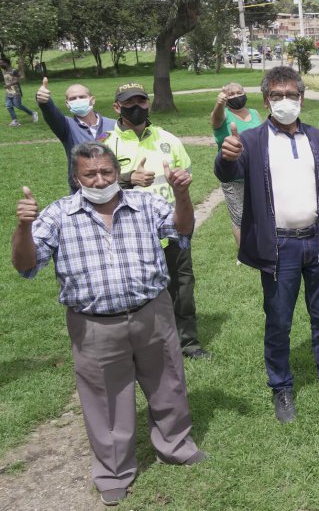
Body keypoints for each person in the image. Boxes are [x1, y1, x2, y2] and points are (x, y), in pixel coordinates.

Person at [12, 142, 206, 506]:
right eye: (90, 174)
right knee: (105, 399)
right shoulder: (58, 215)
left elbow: (183, 230)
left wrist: (182, 195)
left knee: (168, 383)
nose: (100, 180)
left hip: (152, 312)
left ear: (118, 172)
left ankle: (176, 446)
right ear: (76, 177)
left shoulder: (145, 204)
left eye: (107, 172)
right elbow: (26, 266)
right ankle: (114, 472)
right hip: (94, 326)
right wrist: (23, 227)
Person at [215, 66, 319, 424]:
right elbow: (228, 176)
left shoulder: (317, 139)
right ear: (266, 99)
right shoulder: (251, 141)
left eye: (292, 95)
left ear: (302, 97)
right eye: (277, 95)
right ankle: (282, 387)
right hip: (279, 247)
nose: (285, 101)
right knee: (279, 320)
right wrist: (226, 156)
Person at [105, 83, 208, 360]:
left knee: (182, 286)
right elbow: (97, 186)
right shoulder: (106, 146)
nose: (136, 108)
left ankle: (189, 343)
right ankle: (144, 343)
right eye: (129, 103)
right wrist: (127, 180)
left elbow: (184, 172)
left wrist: (182, 181)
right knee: (139, 289)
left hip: (172, 227)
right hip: (132, 232)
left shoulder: (168, 139)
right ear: (117, 107)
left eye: (141, 102)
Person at [35, 77, 118, 194]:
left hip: (112, 188)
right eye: (73, 98)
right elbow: (52, 115)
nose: (78, 100)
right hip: (81, 191)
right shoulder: (66, 126)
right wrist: (45, 103)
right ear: (67, 104)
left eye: (82, 97)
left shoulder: (114, 125)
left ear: (92, 100)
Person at [210, 82, 261, 248]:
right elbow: (215, 119)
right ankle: (245, 252)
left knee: (260, 211)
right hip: (233, 174)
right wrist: (219, 104)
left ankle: (261, 244)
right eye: (231, 94)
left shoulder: (254, 112)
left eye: (239, 92)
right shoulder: (223, 115)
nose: (236, 96)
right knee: (239, 216)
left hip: (256, 171)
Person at [2, 59, 38, 127]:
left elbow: (17, 80)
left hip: (16, 91)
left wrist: (9, 85)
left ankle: (33, 113)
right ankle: (14, 121)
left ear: (6, 63)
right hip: (8, 92)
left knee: (18, 105)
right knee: (9, 106)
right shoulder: (4, 71)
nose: (0, 65)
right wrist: (7, 85)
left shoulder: (13, 71)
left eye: (1, 63)